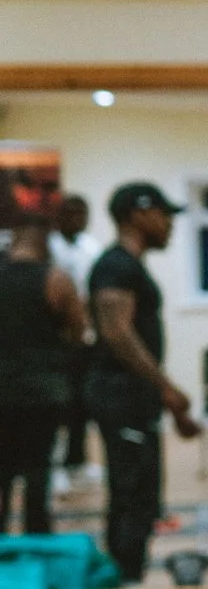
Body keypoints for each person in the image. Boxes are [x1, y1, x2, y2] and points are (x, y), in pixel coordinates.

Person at [87, 182, 201, 584]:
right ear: (137, 214)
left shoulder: (128, 267)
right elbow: (116, 333)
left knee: (141, 493)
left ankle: (128, 577)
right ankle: (124, 583)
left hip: (134, 399)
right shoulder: (116, 266)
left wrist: (162, 395)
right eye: (163, 214)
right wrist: (167, 389)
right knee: (131, 493)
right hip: (121, 397)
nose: (169, 224)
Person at [0, 218, 88, 532]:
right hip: (44, 389)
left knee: (3, 471)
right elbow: (79, 331)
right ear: (43, 245)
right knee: (38, 468)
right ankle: (36, 537)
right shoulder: (56, 279)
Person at [48, 194, 103, 484]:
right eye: (70, 213)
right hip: (56, 340)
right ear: (58, 216)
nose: (77, 219)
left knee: (83, 403)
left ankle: (77, 461)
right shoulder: (48, 248)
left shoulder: (92, 249)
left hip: (86, 338)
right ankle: (54, 467)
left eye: (83, 213)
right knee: (60, 405)